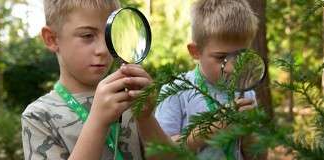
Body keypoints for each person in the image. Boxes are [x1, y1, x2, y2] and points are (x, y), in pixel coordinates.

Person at [21, 1, 170, 159]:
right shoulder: (38, 116)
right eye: (87, 36)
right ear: (52, 39)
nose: (104, 50)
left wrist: (146, 118)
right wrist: (98, 122)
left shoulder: (130, 98)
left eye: (109, 35)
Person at [155, 0, 259, 159]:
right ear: (195, 51)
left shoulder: (246, 94)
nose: (231, 68)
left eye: (240, 56)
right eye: (221, 57)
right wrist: (209, 129)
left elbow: (259, 156)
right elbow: (159, 152)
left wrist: (248, 133)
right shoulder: (176, 92)